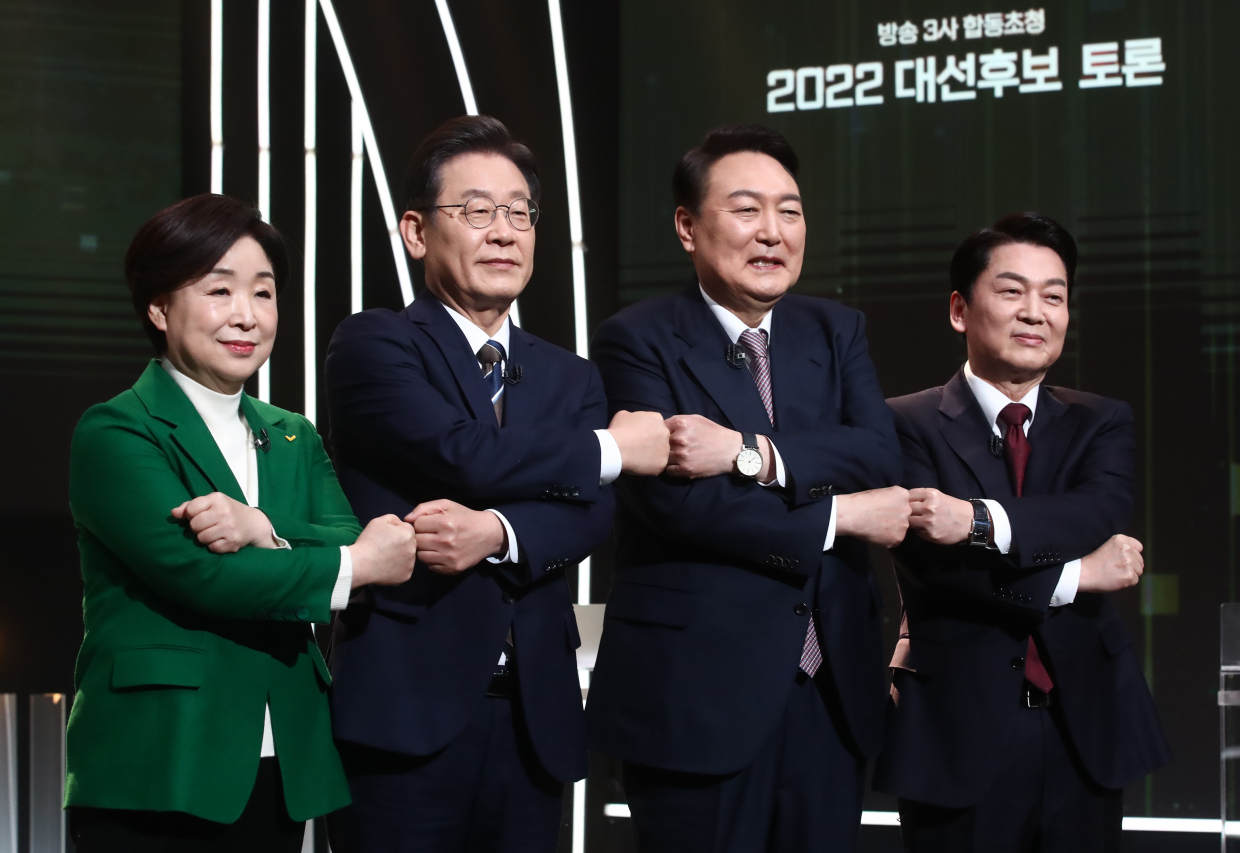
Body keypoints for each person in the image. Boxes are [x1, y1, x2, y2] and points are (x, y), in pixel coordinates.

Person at [324, 115, 668, 853]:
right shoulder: (375, 343)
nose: (504, 232)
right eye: (477, 211)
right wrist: (612, 446)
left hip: (532, 718)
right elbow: (466, 456)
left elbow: (590, 513)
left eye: (520, 213)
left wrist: (499, 532)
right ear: (417, 231)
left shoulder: (570, 374)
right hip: (405, 713)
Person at [586, 124, 910, 853]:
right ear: (687, 226)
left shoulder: (836, 330)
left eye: (789, 210)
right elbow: (678, 502)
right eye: (746, 209)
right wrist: (841, 517)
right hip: (696, 693)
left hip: (831, 691)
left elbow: (878, 454)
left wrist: (750, 454)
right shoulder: (635, 340)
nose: (773, 232)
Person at [64, 194, 416, 853]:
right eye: (219, 290)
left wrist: (262, 526)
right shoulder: (117, 430)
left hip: (283, 752)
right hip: (159, 756)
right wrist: (357, 564)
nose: (246, 316)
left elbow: (343, 535)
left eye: (264, 292)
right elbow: (199, 573)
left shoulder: (292, 435)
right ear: (159, 307)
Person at [874, 212, 1171, 851]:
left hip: (1084, 724)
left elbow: (1096, 512)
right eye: (1012, 292)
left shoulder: (1101, 421)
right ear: (960, 309)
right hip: (956, 729)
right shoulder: (903, 423)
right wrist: (1080, 575)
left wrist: (977, 520)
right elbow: (939, 567)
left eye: (1054, 296)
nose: (1036, 312)